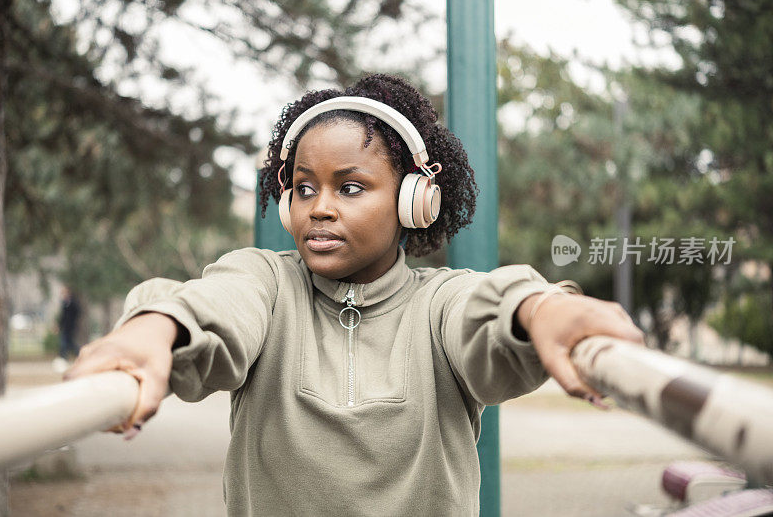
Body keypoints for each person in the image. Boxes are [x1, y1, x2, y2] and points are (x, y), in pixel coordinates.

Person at [66, 74, 644, 515]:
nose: (319, 205)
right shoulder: (266, 284)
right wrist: (155, 327)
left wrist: (543, 308)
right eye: (303, 187)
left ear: (414, 200)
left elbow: (488, 310)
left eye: (350, 186)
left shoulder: (439, 302)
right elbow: (217, 303)